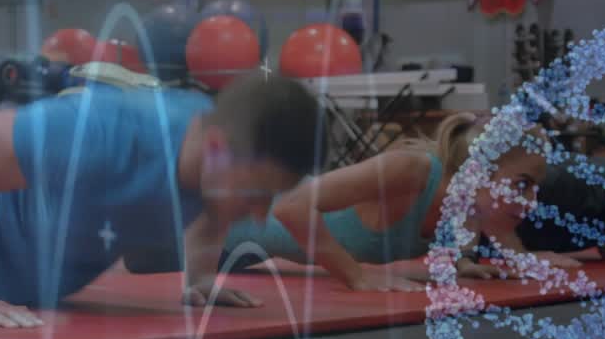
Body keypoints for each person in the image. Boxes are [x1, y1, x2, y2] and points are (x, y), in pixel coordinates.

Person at [0, 75, 325, 328]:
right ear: (215, 149)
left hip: (13, 290)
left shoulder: (214, 155)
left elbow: (211, 206)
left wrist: (200, 278)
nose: (260, 214)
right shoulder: (97, 134)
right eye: (256, 193)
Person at [217, 112, 553, 292]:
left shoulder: (468, 206)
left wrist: (463, 262)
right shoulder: (411, 170)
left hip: (243, 254)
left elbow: (463, 233)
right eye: (522, 184)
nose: (530, 201)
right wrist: (356, 276)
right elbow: (290, 206)